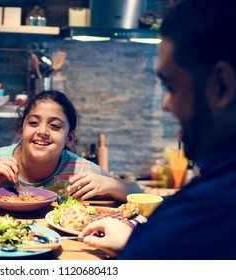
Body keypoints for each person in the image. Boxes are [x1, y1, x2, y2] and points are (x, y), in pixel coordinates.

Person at [80, 0, 236, 259]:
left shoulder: (208, 210)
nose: (166, 105)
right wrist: (137, 239)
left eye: (171, 86)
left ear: (221, 86)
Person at [0, 90, 141, 200]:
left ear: (69, 138)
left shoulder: (78, 170)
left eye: (55, 126)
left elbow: (138, 193)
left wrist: (110, 184)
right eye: (33, 123)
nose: (42, 131)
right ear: (21, 130)